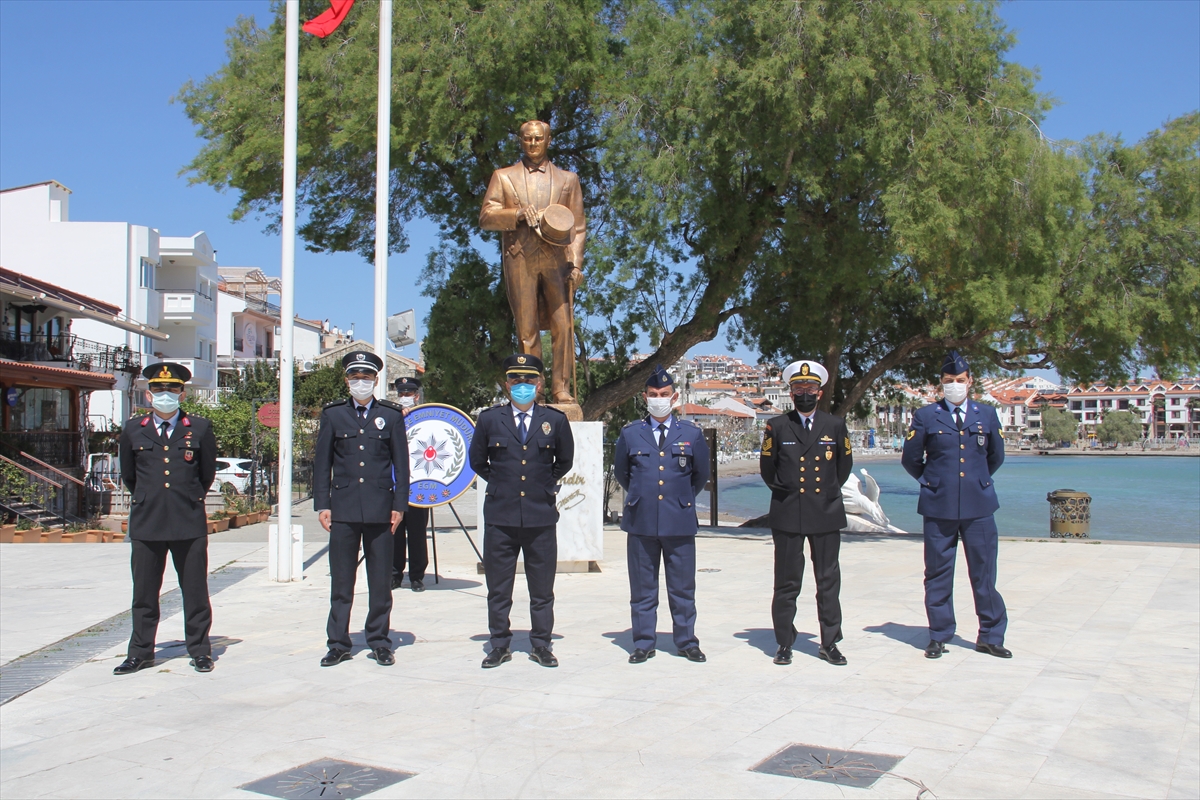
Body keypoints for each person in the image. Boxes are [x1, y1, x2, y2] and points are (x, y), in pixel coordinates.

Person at [901, 351, 1010, 659]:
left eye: (960, 380)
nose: (955, 385)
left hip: (979, 507)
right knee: (937, 573)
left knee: (985, 573)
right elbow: (911, 459)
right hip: (939, 507)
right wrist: (932, 481)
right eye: (949, 381)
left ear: (970, 381)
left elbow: (996, 456)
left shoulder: (986, 415)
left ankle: (990, 635)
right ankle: (938, 634)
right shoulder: (925, 416)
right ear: (941, 384)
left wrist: (976, 481)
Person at [468, 353, 574, 668]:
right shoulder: (489, 419)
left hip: (540, 517)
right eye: (516, 379)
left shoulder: (554, 420)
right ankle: (499, 645)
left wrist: (544, 484)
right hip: (501, 518)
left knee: (542, 590)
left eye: (529, 379)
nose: (522, 385)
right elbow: (477, 461)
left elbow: (564, 461)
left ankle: (541, 644)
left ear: (539, 384)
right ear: (506, 383)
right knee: (499, 589)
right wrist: (501, 483)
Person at [113, 362, 218, 675]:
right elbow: (130, 475)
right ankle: (141, 652)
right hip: (148, 521)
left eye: (172, 388)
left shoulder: (199, 428)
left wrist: (189, 497)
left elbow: (206, 474)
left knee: (195, 591)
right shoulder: (133, 429)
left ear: (182, 393)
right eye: (159, 388)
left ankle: (199, 650)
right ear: (149, 394)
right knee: (144, 593)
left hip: (188, 520)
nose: (165, 394)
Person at [313, 351, 409, 667]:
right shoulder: (333, 415)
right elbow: (322, 463)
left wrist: (399, 506)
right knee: (341, 582)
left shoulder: (392, 416)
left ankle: (379, 640)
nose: (360, 383)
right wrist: (322, 504)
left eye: (366, 378)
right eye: (355, 378)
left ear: (376, 380)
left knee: (380, 581)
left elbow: (402, 465)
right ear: (346, 381)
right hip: (342, 510)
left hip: (382, 510)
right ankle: (338, 642)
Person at [479, 120, 586, 403]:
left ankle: (560, 386)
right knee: (526, 329)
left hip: (557, 260)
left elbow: (578, 227)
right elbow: (486, 216)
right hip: (520, 259)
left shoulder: (568, 180)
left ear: (548, 140)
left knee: (563, 325)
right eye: (527, 139)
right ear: (520, 141)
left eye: (538, 139)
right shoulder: (504, 177)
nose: (533, 144)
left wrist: (576, 264)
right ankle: (533, 388)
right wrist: (515, 215)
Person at [613, 365, 711, 664]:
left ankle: (686, 641)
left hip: (678, 520)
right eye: (653, 394)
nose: (658, 399)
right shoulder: (631, 434)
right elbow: (623, 474)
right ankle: (643, 642)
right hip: (641, 520)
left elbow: (700, 476)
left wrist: (678, 501)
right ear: (645, 397)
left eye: (664, 394)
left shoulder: (691, 434)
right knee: (642, 588)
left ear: (675, 397)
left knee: (682, 588)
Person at [759, 360, 854, 667]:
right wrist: (790, 493)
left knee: (828, 580)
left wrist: (824, 493)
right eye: (798, 389)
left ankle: (829, 642)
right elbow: (767, 470)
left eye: (810, 389)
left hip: (825, 512)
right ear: (790, 392)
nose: (804, 393)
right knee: (786, 581)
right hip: (788, 512)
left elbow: (843, 468)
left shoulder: (835, 425)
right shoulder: (777, 426)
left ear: (820, 392)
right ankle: (784, 642)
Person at [391, 375, 430, 592]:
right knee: (395, 531)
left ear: (417, 396)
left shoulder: (425, 417)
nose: (405, 397)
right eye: (402, 394)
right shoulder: (390, 416)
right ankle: (395, 574)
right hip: (396, 484)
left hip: (420, 484)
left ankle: (417, 576)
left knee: (417, 533)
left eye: (409, 394)